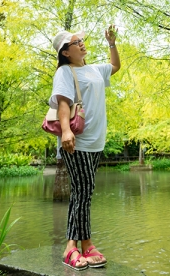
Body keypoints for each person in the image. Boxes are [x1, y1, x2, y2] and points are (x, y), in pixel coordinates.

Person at [49, 25, 120, 271]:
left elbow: (115, 67)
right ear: (66, 52)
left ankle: (80, 245)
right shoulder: (65, 72)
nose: (81, 44)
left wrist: (111, 43)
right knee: (83, 189)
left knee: (84, 193)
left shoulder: (94, 69)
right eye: (76, 42)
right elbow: (63, 103)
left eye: (82, 40)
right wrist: (66, 131)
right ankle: (76, 246)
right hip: (77, 141)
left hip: (96, 141)